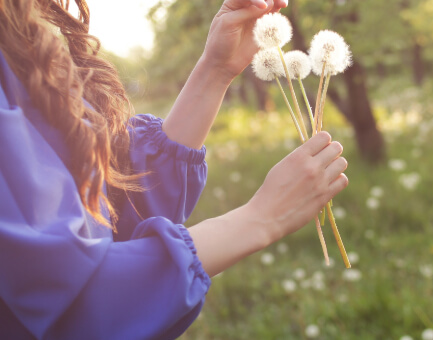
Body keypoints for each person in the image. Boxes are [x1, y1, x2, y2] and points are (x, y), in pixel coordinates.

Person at [0, 0, 349, 338]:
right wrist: (260, 218)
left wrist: (216, 70)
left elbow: (116, 204)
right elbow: (69, 304)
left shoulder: (18, 38)